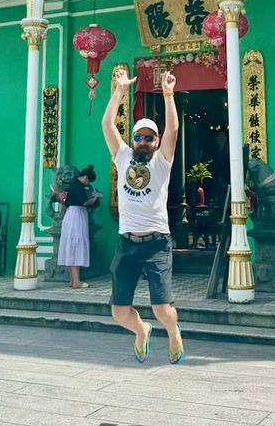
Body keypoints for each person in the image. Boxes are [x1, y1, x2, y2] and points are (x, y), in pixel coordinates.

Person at [101, 68, 183, 365]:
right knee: (119, 312)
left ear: (157, 141)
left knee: (163, 309)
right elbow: (107, 124)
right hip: (127, 244)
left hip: (157, 244)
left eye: (150, 137)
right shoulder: (122, 156)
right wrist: (120, 91)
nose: (144, 141)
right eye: (139, 137)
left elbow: (173, 129)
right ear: (133, 140)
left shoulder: (163, 161)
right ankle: (141, 330)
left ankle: (172, 330)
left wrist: (168, 93)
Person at [57, 165, 99, 289]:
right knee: (76, 245)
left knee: (71, 246)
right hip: (77, 215)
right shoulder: (78, 186)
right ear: (85, 177)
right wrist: (94, 199)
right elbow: (83, 202)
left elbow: (67, 201)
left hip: (71, 214)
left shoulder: (72, 184)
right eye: (89, 181)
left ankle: (73, 280)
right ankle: (76, 281)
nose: (89, 183)